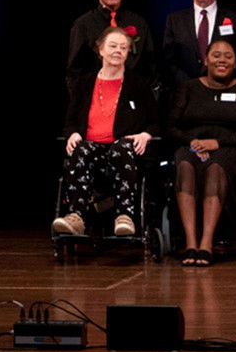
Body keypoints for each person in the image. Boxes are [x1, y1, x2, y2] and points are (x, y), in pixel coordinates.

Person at [54, 26, 159, 237]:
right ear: (100, 49)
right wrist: (73, 133)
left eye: (123, 47)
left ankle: (125, 217)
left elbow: (155, 122)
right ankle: (76, 217)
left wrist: (145, 135)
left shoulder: (139, 84)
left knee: (121, 148)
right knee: (80, 149)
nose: (118, 51)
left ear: (128, 53)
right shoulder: (84, 83)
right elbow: (70, 122)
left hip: (122, 151)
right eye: (113, 46)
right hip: (91, 150)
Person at [167, 39, 236, 267]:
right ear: (206, 60)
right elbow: (170, 126)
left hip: (232, 148)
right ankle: (191, 243)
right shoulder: (188, 87)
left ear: (235, 62)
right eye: (216, 55)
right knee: (185, 165)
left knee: (215, 167)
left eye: (228, 56)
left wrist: (217, 143)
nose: (222, 60)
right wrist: (193, 142)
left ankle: (206, 244)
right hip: (192, 145)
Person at [67, 0, 155, 93]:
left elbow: (150, 64)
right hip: (96, 94)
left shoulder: (138, 23)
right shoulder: (83, 24)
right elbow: (75, 70)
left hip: (133, 94)